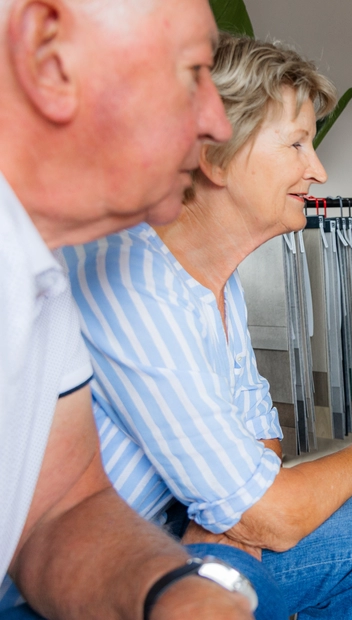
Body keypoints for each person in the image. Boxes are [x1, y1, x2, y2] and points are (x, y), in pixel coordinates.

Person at [63, 33, 352, 620]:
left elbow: (264, 441)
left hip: (182, 530)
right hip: (96, 576)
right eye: (296, 144)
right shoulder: (133, 282)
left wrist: (239, 519)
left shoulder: (219, 281)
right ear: (213, 156)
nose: (318, 168)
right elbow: (269, 511)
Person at [0, 0, 282, 618]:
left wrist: (169, 592)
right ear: (50, 60)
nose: (214, 120)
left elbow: (58, 510)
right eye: (192, 72)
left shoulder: (42, 271)